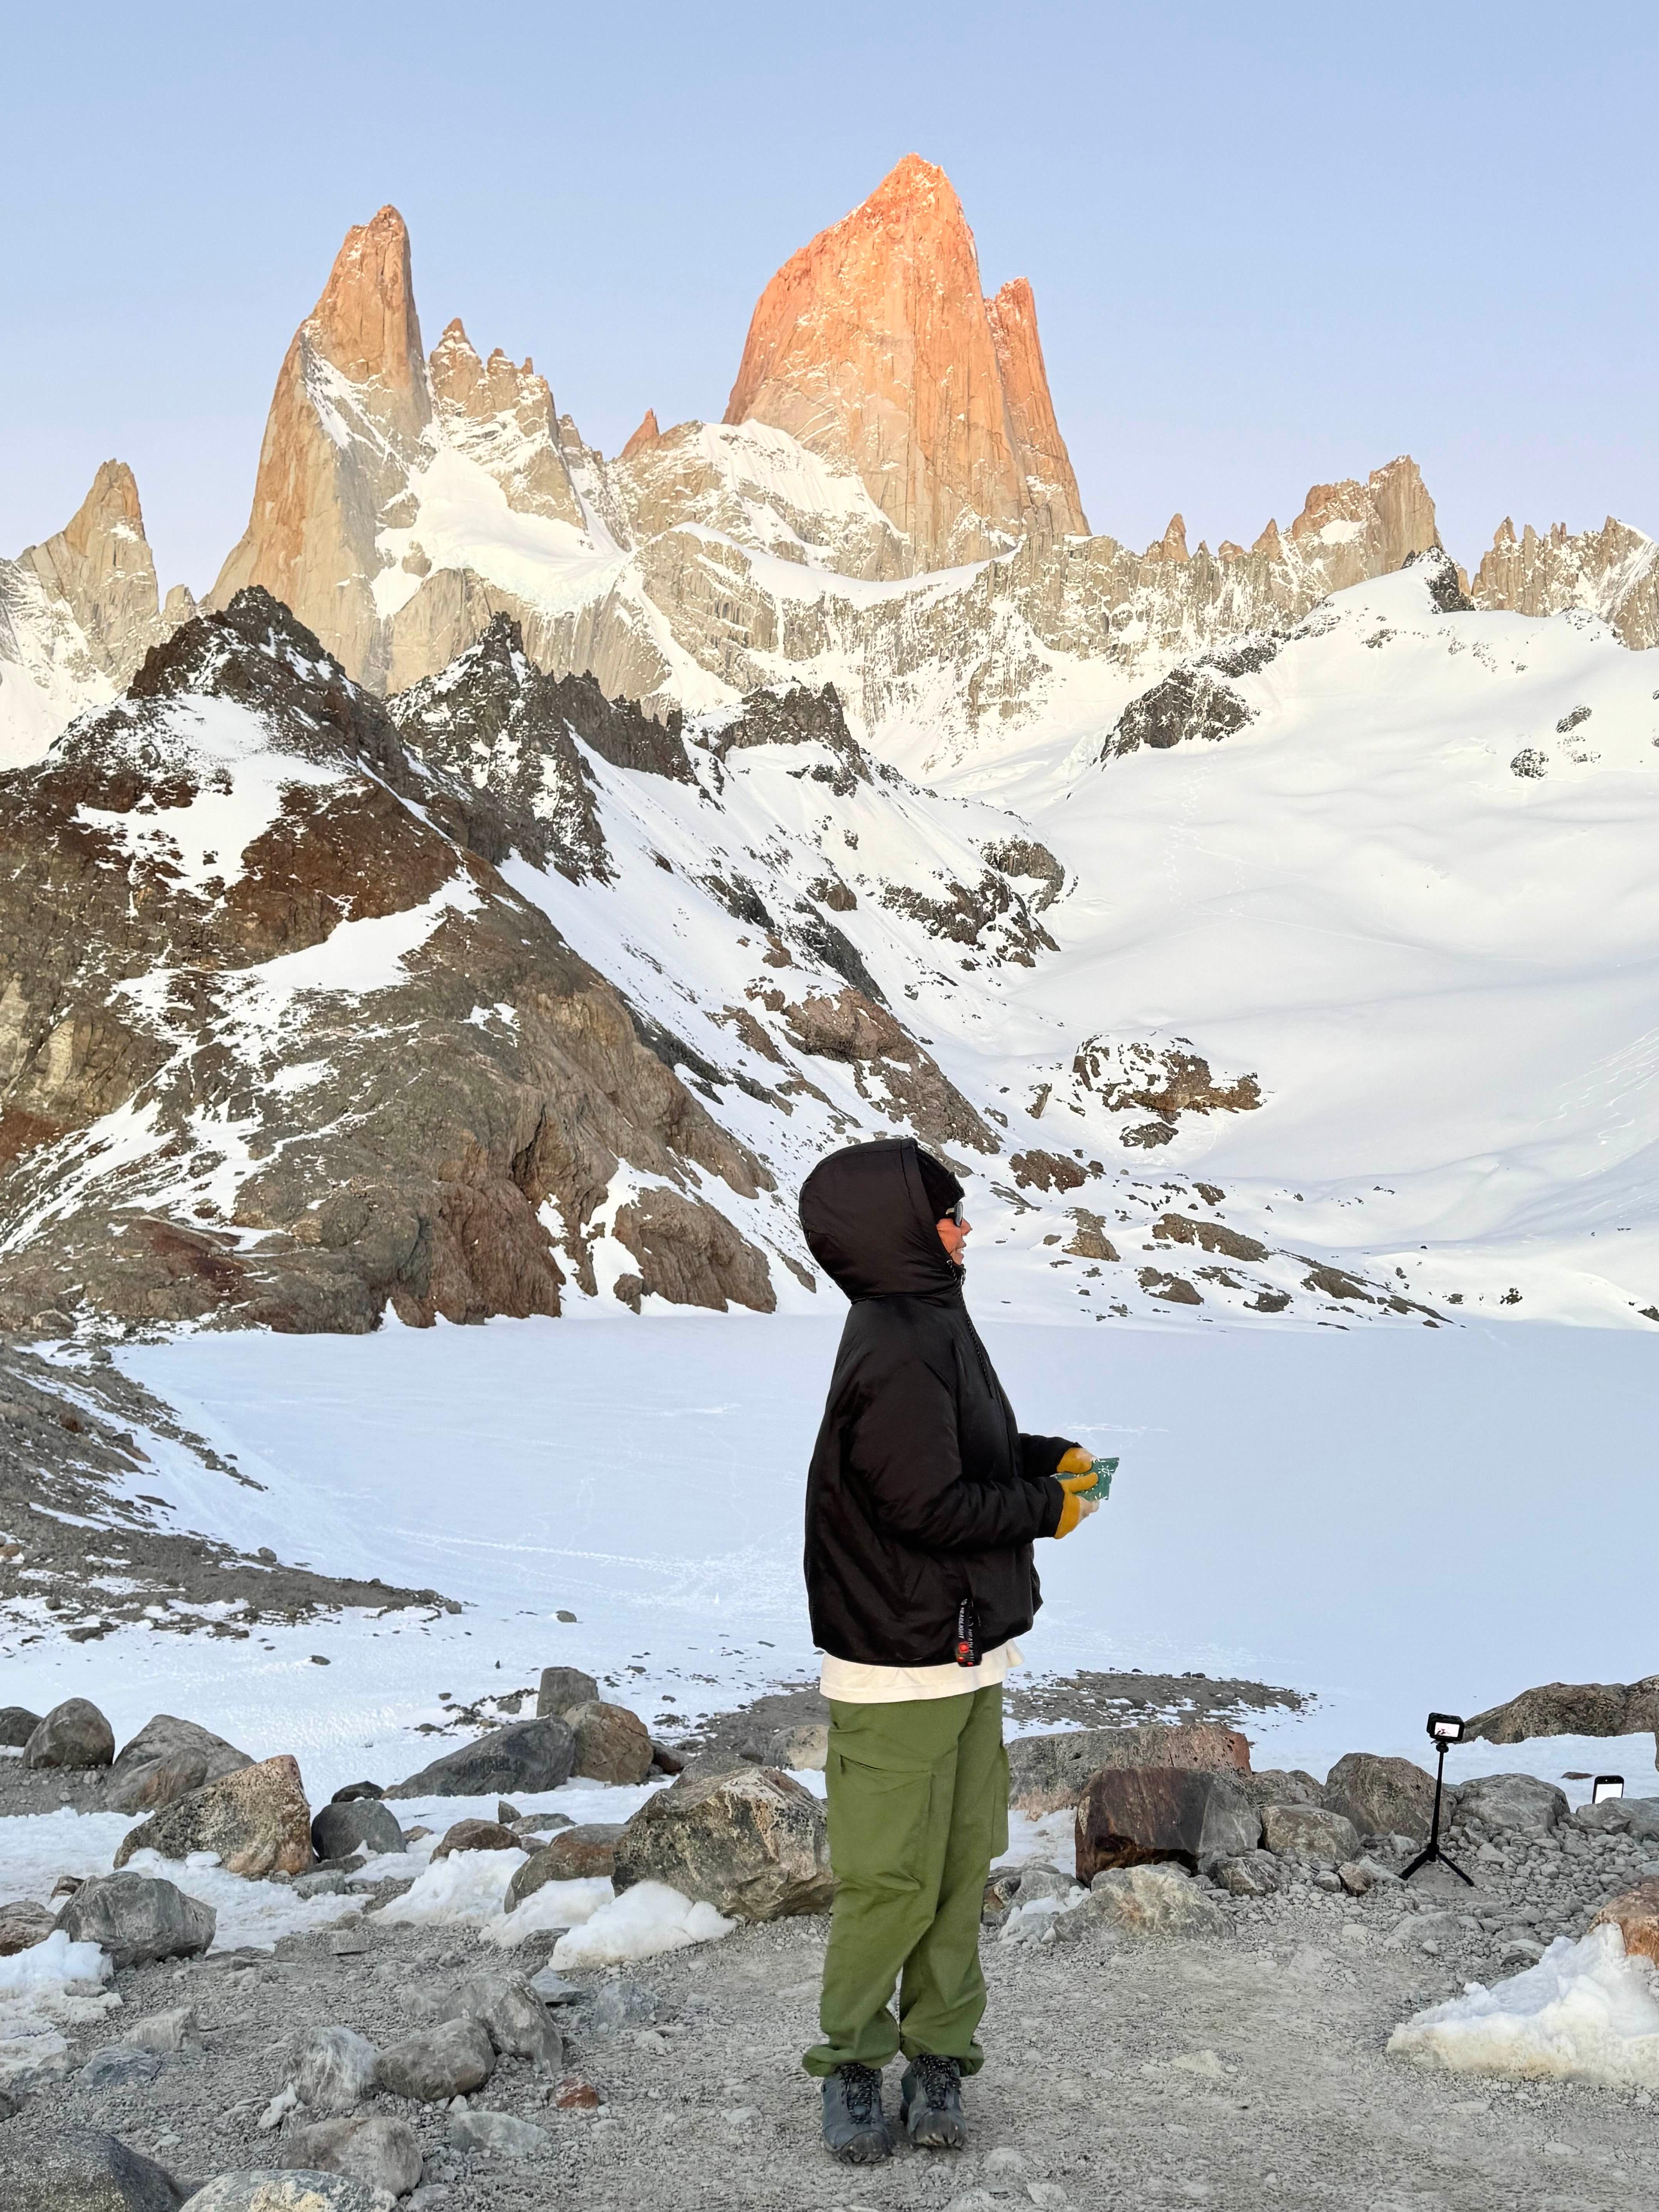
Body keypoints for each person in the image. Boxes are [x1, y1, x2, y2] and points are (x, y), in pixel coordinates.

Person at [797, 1135, 1101, 2163]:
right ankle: (851, 2064)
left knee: (960, 1868)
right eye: (949, 1215)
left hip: (963, 1651)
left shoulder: (930, 1318)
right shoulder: (893, 1340)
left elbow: (957, 1453)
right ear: (903, 1230)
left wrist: (1044, 1459)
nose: (965, 1230)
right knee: (890, 1880)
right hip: (897, 1664)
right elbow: (923, 1503)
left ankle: (938, 2057)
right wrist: (1047, 1509)